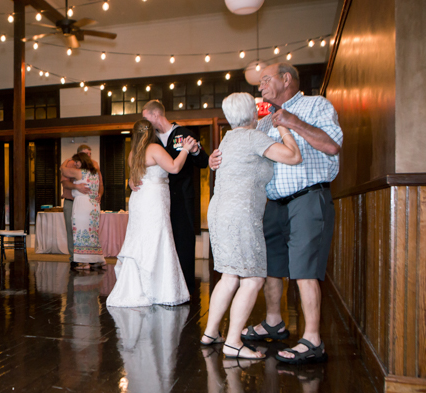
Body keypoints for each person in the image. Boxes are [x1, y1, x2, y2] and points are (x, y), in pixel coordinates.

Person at [209, 63, 342, 365]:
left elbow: (332, 147)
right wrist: (218, 159)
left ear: (286, 79)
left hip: (307, 197)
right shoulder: (264, 122)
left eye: (266, 79)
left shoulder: (315, 105)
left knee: (304, 268)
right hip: (272, 204)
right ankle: (273, 321)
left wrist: (293, 122)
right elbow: (247, 151)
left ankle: (312, 338)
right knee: (269, 265)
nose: (261, 86)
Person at [200, 93, 302, 359]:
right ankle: (233, 342)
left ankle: (211, 332)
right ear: (253, 113)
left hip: (219, 211)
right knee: (254, 277)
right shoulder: (254, 137)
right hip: (240, 213)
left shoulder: (228, 137)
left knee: (230, 274)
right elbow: (292, 156)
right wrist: (284, 126)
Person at [106, 119, 197, 307]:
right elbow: (174, 167)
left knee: (140, 238)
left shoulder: (133, 153)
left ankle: (139, 284)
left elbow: (134, 178)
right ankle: (158, 287)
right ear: (152, 132)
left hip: (140, 199)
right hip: (154, 198)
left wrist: (130, 183)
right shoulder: (154, 149)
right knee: (158, 237)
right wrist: (185, 150)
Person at [139, 100, 210, 295]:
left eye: (146, 117)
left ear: (155, 115)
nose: (144, 122)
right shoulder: (149, 140)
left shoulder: (183, 134)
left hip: (181, 197)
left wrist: (194, 150)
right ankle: (162, 285)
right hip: (158, 199)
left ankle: (185, 286)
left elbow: (204, 162)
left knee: (183, 240)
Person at [61, 145, 102, 270]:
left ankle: (87, 260)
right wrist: (77, 187)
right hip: (73, 201)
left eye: (90, 153)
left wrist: (99, 194)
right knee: (76, 231)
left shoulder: (93, 166)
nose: (89, 156)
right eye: (86, 154)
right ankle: (76, 258)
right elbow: (65, 182)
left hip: (85, 204)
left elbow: (101, 183)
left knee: (85, 232)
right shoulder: (72, 165)